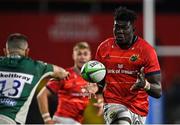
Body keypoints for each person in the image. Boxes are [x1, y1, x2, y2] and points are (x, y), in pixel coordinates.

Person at [95, 7, 162, 124]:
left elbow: (158, 91)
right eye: (117, 27)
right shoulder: (104, 48)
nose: (119, 31)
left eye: (124, 28)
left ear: (133, 29)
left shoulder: (146, 51)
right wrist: (96, 90)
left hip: (138, 108)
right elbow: (99, 79)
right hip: (113, 103)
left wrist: (145, 85)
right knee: (122, 120)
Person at [0, 33, 69, 124]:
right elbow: (62, 73)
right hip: (10, 120)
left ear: (5, 51)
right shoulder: (36, 67)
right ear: (27, 51)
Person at [37, 42, 98, 124]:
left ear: (90, 56)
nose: (82, 57)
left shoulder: (92, 78)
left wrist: (100, 101)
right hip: (62, 121)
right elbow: (41, 95)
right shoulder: (64, 75)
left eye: (85, 54)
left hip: (78, 122)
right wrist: (47, 119)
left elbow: (99, 97)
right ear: (73, 56)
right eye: (79, 54)